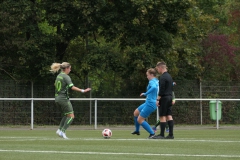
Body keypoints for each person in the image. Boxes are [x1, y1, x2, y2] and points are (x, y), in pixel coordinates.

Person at [50, 62, 91, 139]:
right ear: (66, 69)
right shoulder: (66, 77)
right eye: (70, 68)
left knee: (66, 115)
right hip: (63, 99)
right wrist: (83, 90)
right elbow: (72, 87)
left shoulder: (59, 76)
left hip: (57, 98)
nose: (70, 70)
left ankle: (59, 130)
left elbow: (55, 85)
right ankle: (63, 131)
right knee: (71, 116)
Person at [131, 68, 159, 138]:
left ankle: (152, 134)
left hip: (151, 104)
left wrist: (146, 93)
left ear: (152, 75)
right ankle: (137, 130)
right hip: (149, 102)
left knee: (140, 119)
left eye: (148, 75)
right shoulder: (157, 81)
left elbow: (154, 88)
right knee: (136, 113)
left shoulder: (152, 81)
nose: (147, 77)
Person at [150, 61, 174, 139]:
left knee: (162, 116)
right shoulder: (169, 76)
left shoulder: (163, 77)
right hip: (170, 97)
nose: (157, 70)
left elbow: (162, 89)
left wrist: (158, 99)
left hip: (164, 98)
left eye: (157, 69)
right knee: (169, 115)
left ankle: (162, 134)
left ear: (160, 68)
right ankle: (171, 135)